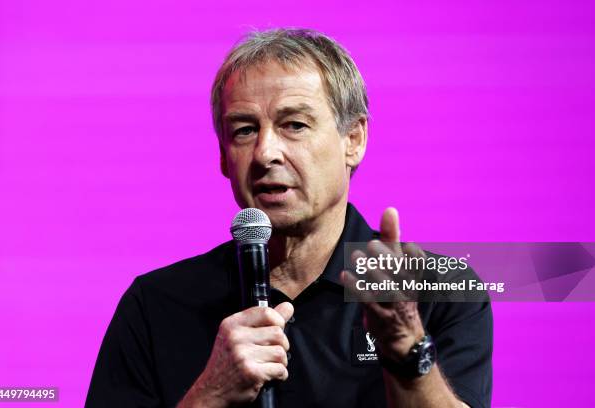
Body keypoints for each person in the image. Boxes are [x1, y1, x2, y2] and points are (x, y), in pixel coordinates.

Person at [86, 28, 492, 408]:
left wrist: (406, 347)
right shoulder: (157, 304)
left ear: (354, 140)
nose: (265, 153)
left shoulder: (436, 288)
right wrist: (210, 395)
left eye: (294, 125)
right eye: (244, 131)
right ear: (224, 157)